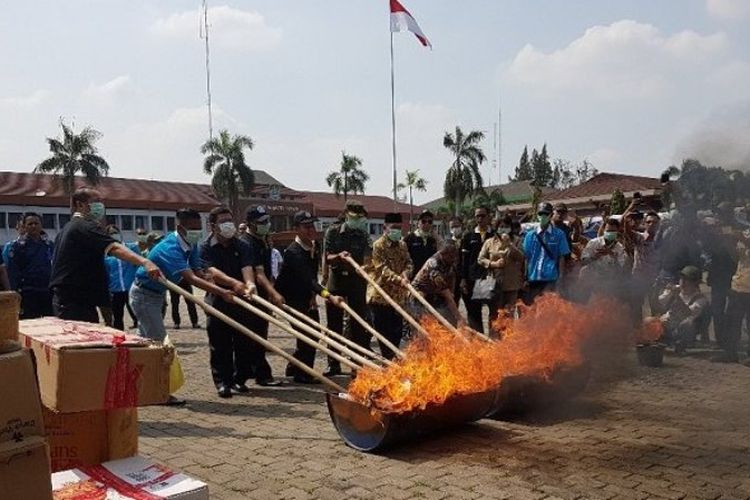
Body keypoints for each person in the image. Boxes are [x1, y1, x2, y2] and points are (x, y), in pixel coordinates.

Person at [130, 208, 239, 405]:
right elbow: (190, 279)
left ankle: (136, 386)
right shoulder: (170, 248)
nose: (197, 232)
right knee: (159, 345)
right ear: (180, 228)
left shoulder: (191, 243)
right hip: (144, 296)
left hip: (156, 295)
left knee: (142, 344)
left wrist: (212, 277)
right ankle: (160, 392)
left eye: (199, 228)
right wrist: (221, 292)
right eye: (193, 228)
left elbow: (197, 271)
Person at [50, 187, 160, 322]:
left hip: (75, 299)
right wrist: (145, 262)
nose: (101, 206)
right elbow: (114, 247)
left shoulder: (68, 228)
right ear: (80, 204)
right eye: (96, 201)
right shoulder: (84, 227)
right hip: (74, 302)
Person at [198, 206, 259, 397]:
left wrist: (249, 284)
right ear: (213, 225)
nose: (228, 225)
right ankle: (222, 382)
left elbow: (247, 267)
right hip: (218, 300)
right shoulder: (206, 247)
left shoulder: (242, 246)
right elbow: (212, 272)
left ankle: (239, 380)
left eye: (229, 221)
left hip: (241, 301)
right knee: (220, 344)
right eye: (223, 221)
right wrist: (234, 284)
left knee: (244, 343)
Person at [276, 211, 343, 383]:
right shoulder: (293, 252)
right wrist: (329, 296)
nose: (311, 230)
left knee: (313, 333)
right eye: (306, 227)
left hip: (306, 296)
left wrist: (313, 297)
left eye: (312, 226)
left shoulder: (313, 246)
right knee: (307, 334)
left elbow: (312, 275)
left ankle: (294, 367)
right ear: (296, 229)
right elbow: (308, 278)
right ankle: (302, 373)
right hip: (291, 298)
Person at [323, 199, 372, 376]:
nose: (358, 220)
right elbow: (327, 257)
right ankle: (333, 363)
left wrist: (365, 267)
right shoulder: (333, 232)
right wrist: (339, 257)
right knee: (334, 324)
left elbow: (368, 257)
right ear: (345, 215)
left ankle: (356, 364)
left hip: (357, 282)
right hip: (337, 280)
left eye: (360, 217)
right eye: (354, 217)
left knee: (358, 324)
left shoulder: (363, 234)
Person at [240, 206, 285, 387]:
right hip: (252, 295)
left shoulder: (262, 240)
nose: (266, 225)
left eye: (267, 221)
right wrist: (274, 293)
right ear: (251, 223)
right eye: (262, 222)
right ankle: (261, 375)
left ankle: (254, 371)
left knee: (259, 335)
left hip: (262, 295)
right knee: (255, 336)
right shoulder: (247, 243)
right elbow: (258, 273)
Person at [367, 213, 413, 359]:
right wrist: (399, 279)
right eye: (394, 228)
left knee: (397, 333)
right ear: (385, 227)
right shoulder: (378, 246)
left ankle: (392, 360)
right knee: (383, 334)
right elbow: (382, 269)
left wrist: (406, 273)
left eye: (399, 228)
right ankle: (388, 362)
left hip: (397, 298)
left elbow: (409, 263)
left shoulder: (402, 245)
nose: (397, 231)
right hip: (380, 297)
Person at [477, 215, 524, 335]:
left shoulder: (517, 240)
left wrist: (510, 245)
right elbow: (481, 259)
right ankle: (493, 339)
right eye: (501, 226)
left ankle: (507, 340)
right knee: (494, 313)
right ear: (496, 228)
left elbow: (522, 257)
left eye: (506, 226)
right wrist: (493, 264)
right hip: (494, 284)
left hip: (511, 285)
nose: (503, 229)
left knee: (508, 314)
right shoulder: (489, 242)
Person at [6, 213, 54, 318]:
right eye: (30, 224)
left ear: (41, 225)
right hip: (28, 293)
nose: (33, 226)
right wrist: (14, 291)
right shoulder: (18, 246)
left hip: (47, 291)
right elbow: (13, 271)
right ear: (24, 226)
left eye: (36, 223)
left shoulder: (49, 245)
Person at [522, 202, 571, 304]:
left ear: (551, 215)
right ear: (537, 215)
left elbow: (562, 257)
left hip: (551, 278)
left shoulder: (559, 234)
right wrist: (525, 277)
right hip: (533, 277)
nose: (543, 216)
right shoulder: (530, 235)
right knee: (533, 309)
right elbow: (526, 257)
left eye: (546, 214)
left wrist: (561, 277)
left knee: (548, 308)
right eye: (541, 214)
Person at [655, 265, 709, 354]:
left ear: (695, 283)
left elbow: (687, 313)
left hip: (685, 329)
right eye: (681, 279)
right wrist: (655, 289)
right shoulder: (675, 289)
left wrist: (677, 297)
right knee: (650, 322)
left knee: (687, 324)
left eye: (687, 280)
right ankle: (663, 341)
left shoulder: (700, 299)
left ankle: (681, 344)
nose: (683, 282)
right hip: (668, 325)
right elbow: (657, 305)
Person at [459, 206, 495, 333]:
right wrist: (463, 279)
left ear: (489, 216)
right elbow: (464, 260)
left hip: (488, 278)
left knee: (492, 310)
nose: (480, 219)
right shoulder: (468, 236)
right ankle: (477, 339)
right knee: (473, 311)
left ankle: (492, 339)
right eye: (477, 216)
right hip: (472, 278)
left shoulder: (494, 235)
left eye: (482, 216)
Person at [717, 228, 750, 363]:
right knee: (732, 321)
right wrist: (728, 242)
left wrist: (742, 238)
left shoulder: (744, 235)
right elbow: (736, 258)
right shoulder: (746, 232)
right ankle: (730, 352)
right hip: (739, 284)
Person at [411, 243, 465, 327]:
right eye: (451, 257)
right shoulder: (433, 265)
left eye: (455, 257)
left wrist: (452, 293)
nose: (454, 259)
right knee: (424, 323)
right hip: (420, 293)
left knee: (444, 317)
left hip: (434, 293)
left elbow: (452, 278)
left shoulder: (450, 262)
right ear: (444, 254)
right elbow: (446, 293)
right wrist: (459, 317)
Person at [579, 218, 627, 299]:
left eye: (613, 231)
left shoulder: (620, 248)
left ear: (617, 231)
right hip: (593, 282)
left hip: (610, 284)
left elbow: (620, 270)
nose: (610, 233)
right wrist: (595, 257)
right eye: (608, 231)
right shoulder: (594, 243)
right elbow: (583, 262)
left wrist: (612, 255)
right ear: (604, 230)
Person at [104, 225, 139, 330]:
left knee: (138, 315)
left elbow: (138, 265)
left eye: (115, 232)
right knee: (118, 317)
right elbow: (106, 272)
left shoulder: (131, 248)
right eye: (111, 233)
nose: (114, 235)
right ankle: (120, 340)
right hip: (115, 290)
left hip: (131, 288)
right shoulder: (105, 254)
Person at [404, 210, 441, 278]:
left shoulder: (432, 240)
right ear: (418, 223)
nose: (427, 224)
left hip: (428, 278)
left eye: (429, 222)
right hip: (413, 277)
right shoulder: (409, 238)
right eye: (424, 221)